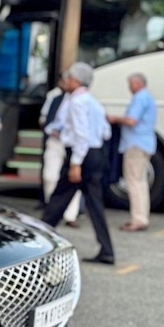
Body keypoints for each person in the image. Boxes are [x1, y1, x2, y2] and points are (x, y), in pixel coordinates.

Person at [42, 63, 115, 265]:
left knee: (57, 200)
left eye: (70, 78)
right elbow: (105, 131)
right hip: (96, 154)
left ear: (77, 80)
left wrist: (75, 163)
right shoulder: (93, 101)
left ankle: (38, 244)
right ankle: (107, 249)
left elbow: (81, 136)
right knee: (95, 204)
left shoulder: (76, 102)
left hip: (81, 156)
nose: (67, 81)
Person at [108, 72, 158, 232]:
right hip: (146, 143)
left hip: (135, 144)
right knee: (141, 182)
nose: (129, 87)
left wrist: (115, 119)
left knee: (133, 182)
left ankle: (138, 219)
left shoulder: (139, 98)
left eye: (130, 84)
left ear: (137, 84)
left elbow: (131, 120)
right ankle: (142, 216)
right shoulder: (148, 98)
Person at [40, 77, 83, 227]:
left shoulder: (81, 100)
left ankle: (71, 215)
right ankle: (51, 208)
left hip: (71, 144)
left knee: (72, 180)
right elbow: (48, 120)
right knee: (49, 176)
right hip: (55, 141)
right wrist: (51, 131)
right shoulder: (56, 99)